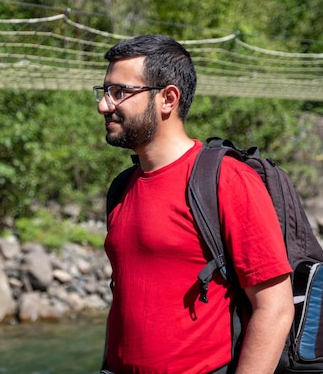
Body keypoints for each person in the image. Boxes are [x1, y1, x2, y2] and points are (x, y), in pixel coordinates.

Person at [94, 34, 294, 374]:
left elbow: (275, 308)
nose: (104, 105)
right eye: (104, 92)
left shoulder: (226, 180)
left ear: (168, 99)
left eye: (120, 92)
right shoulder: (122, 188)